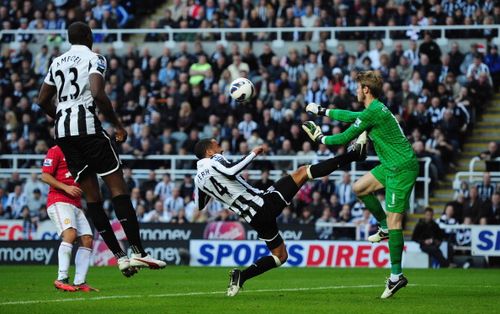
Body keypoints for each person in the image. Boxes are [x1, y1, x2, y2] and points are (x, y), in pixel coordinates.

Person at [37, 22, 165, 277]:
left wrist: (62, 116)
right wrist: (117, 124)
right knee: (118, 189)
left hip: (64, 135)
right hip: (88, 131)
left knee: (92, 197)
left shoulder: (56, 62)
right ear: (88, 36)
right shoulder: (95, 58)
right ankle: (137, 251)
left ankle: (119, 257)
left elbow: (41, 100)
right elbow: (97, 92)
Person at [194, 137, 366, 297]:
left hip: (253, 218)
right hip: (262, 204)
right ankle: (354, 154)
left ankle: (242, 276)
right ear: (209, 152)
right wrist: (253, 153)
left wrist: (214, 188)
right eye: (217, 146)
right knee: (303, 172)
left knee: (280, 255)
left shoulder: (198, 179)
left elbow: (200, 205)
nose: (221, 149)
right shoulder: (214, 161)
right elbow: (231, 171)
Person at [302, 70, 419, 298]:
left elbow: (344, 138)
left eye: (357, 88)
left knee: (396, 221)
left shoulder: (372, 113)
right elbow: (351, 115)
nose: (355, 91)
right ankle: (383, 227)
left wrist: (320, 139)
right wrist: (323, 111)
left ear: (366, 90)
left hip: (401, 168)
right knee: (359, 188)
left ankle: (397, 276)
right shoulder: (373, 110)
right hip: (391, 165)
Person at [41, 145, 98, 292]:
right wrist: (66, 188)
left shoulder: (82, 151)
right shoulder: (56, 150)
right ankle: (61, 278)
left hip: (76, 203)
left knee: (87, 239)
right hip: (58, 200)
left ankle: (80, 281)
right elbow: (45, 176)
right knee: (70, 234)